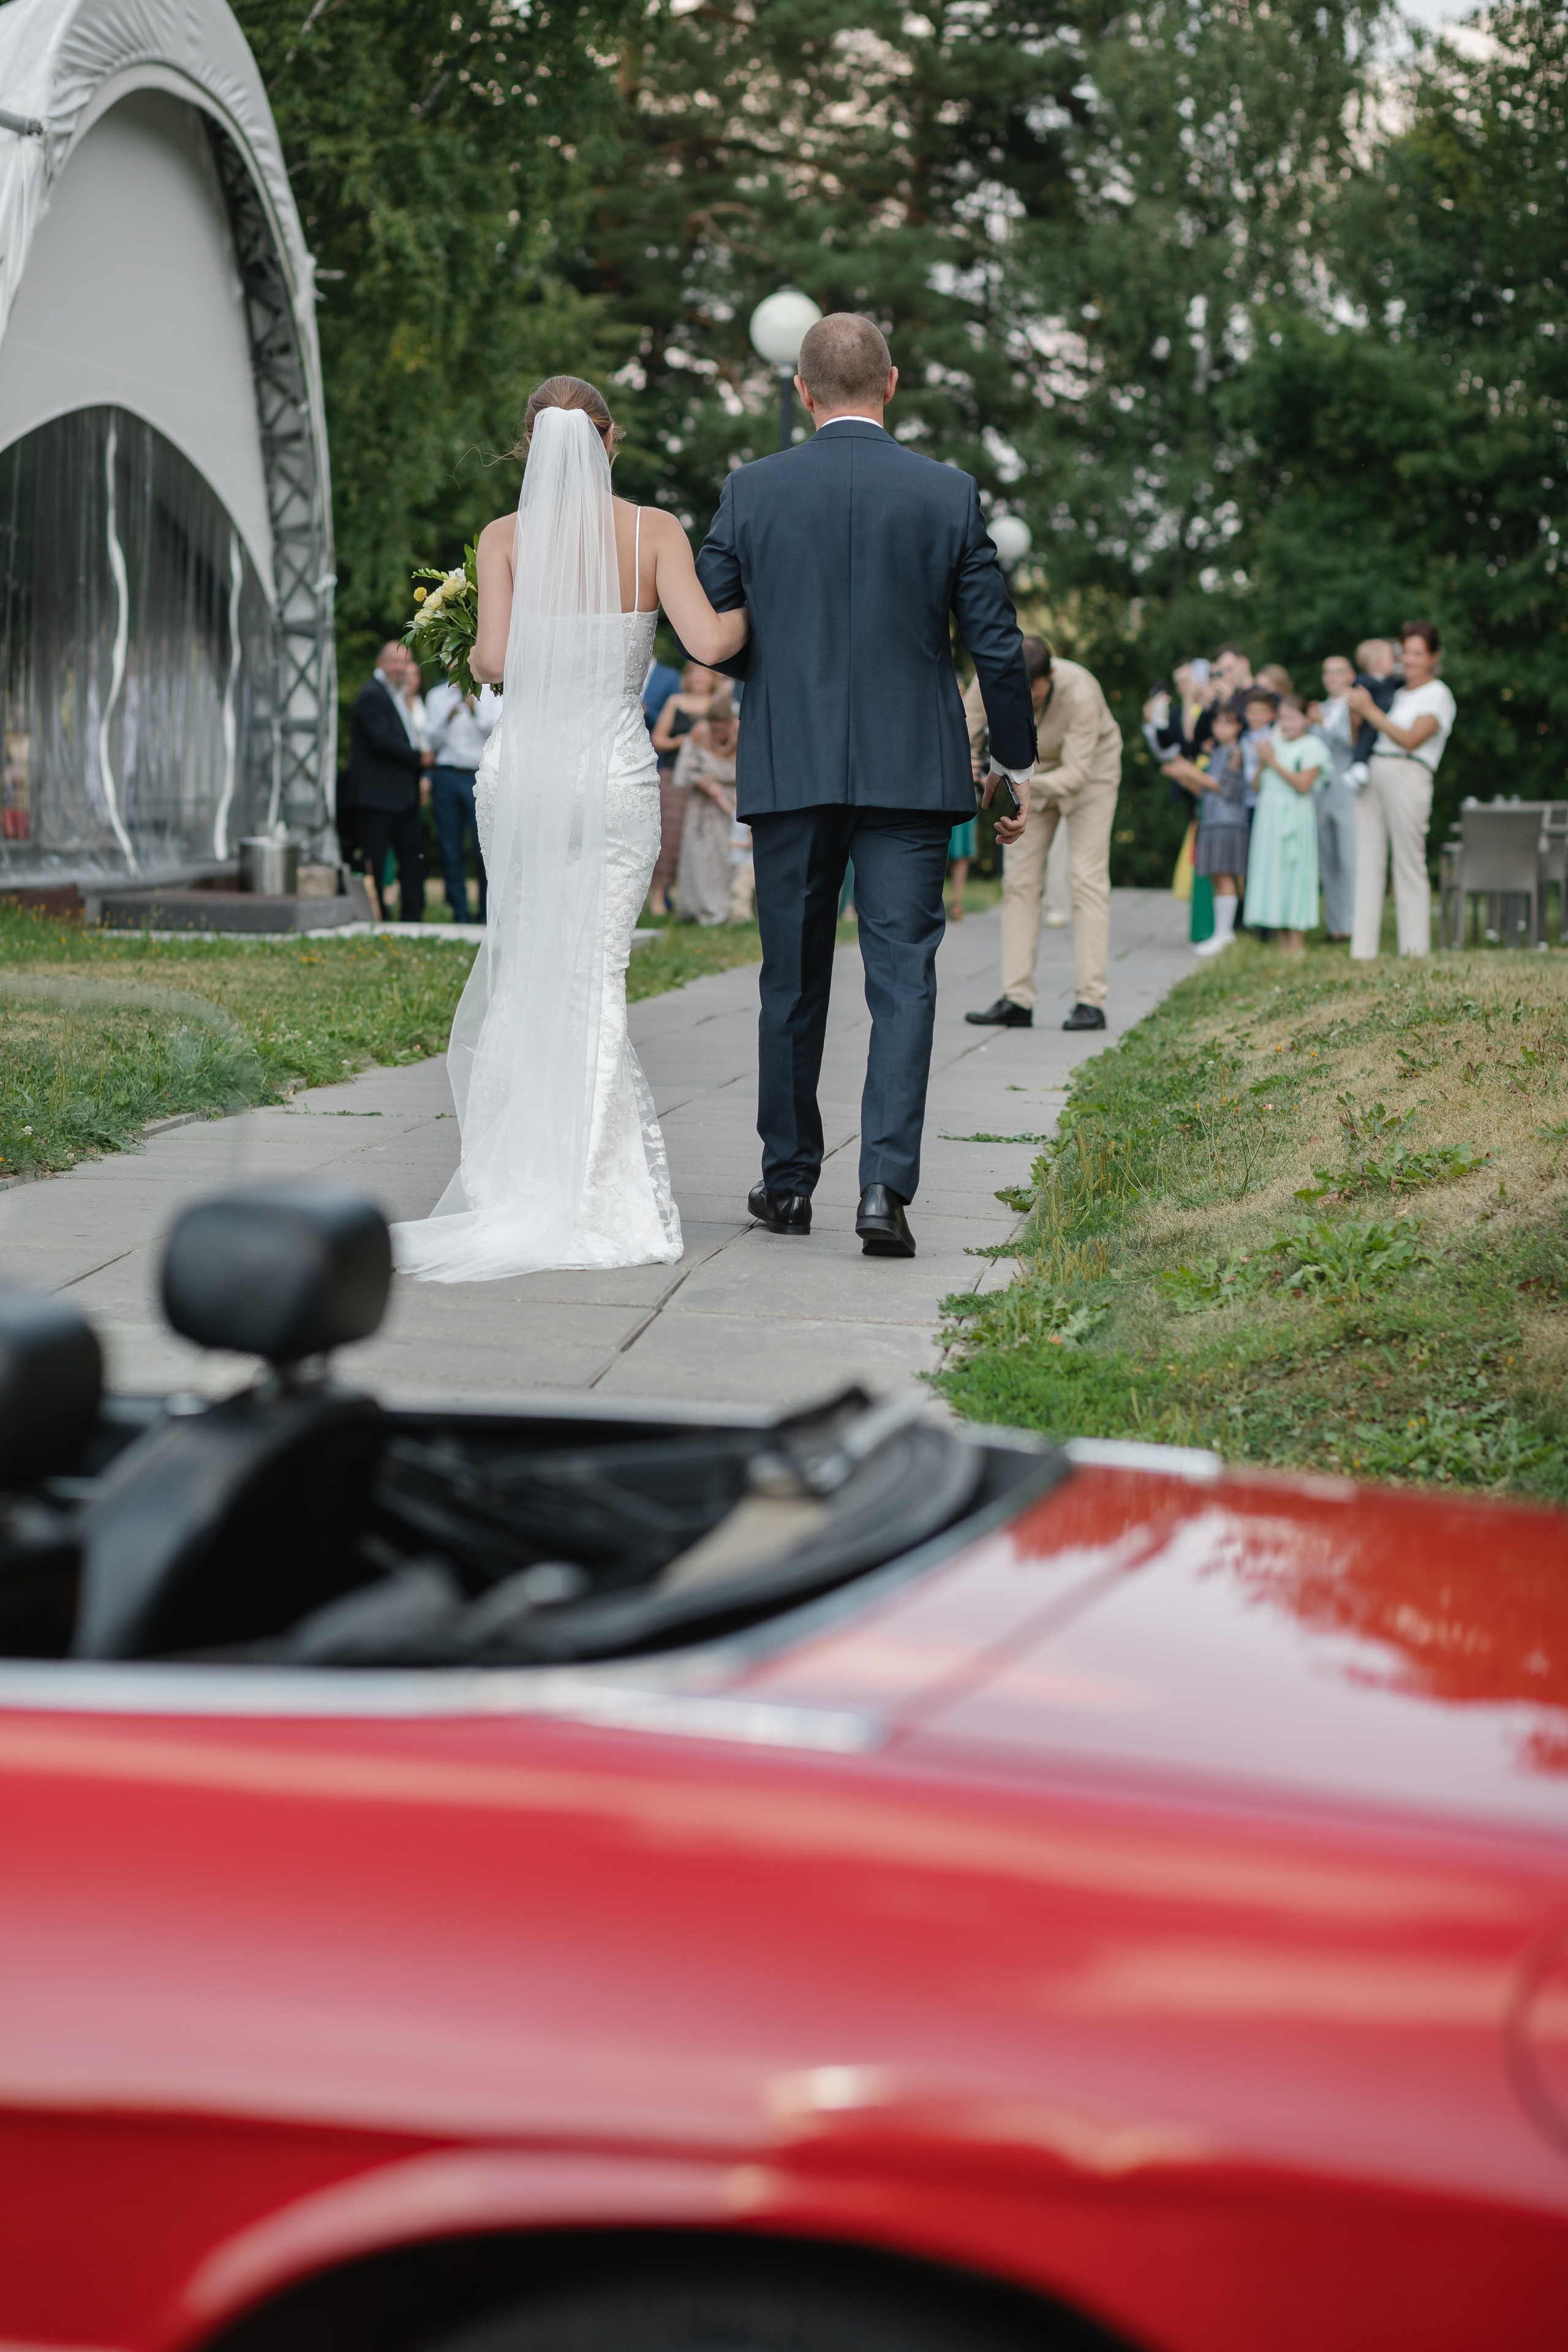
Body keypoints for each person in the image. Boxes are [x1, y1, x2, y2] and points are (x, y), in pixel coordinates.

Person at [392, 375, 747, 1284]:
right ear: (609, 441)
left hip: (525, 776)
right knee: (596, 972)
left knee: (527, 967)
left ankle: (515, 1183)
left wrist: (476, 630)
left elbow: (497, 663)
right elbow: (709, 643)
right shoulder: (653, 531)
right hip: (613, 776)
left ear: (528, 445)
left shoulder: (505, 539)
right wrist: (763, 605)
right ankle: (589, 1191)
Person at [696, 311, 1035, 1259]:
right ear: (892, 384)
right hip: (909, 772)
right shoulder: (948, 493)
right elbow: (997, 647)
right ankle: (883, 1189)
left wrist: (780, 674)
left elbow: (707, 626)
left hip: (790, 763)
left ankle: (788, 1184)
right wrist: (1011, 765)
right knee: (904, 980)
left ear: (802, 391)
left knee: (791, 979)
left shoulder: (752, 492)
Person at [966, 635, 1122, 1031]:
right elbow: (962, 732)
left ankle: (1091, 1001)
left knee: (1085, 880)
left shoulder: (1081, 692)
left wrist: (1023, 782)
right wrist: (967, 766)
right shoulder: (988, 681)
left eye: (1033, 691)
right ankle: (1016, 998)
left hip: (1088, 774)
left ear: (1049, 677)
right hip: (1027, 772)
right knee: (1019, 882)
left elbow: (1076, 776)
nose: (1027, 699)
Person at [1347, 621, 1455, 961]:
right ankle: (1362, 951)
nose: (1408, 659)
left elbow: (1411, 739)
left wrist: (1369, 711)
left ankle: (1415, 950)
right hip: (1374, 770)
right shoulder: (1391, 690)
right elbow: (1363, 737)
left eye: (1417, 653)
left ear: (1433, 657)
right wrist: (1357, 716)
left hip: (1409, 772)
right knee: (1368, 863)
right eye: (1405, 652)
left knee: (1408, 863)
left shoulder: (1438, 694)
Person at [347, 641, 431, 922]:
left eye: (404, 663)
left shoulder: (395, 695)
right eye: (394, 662)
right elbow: (381, 740)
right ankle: (378, 915)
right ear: (380, 663)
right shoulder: (373, 695)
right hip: (377, 796)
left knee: (412, 858)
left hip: (400, 796)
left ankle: (412, 915)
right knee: (377, 860)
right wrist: (418, 758)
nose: (399, 668)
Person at [1243, 693, 1326, 951]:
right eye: (1282, 718)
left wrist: (1273, 761)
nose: (1286, 724)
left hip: (1295, 815)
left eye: (1292, 718)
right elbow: (1255, 786)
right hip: (1268, 815)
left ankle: (1296, 943)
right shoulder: (1272, 743)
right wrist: (1262, 762)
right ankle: (1281, 941)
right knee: (1273, 874)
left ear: (1304, 720)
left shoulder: (1313, 747)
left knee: (1296, 873)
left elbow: (1303, 785)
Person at [1166, 704, 1250, 957]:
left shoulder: (1237, 752)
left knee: (1224, 875)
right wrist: (1185, 779)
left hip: (1228, 822)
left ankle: (1226, 934)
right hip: (1211, 820)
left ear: (1238, 727)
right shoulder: (1218, 752)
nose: (1221, 728)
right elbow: (1205, 790)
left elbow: (1221, 787)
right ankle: (1220, 932)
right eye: (1218, 723)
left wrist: (1191, 771)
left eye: (1228, 723)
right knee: (1215, 876)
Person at [648, 660, 719, 914]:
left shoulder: (718, 704)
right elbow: (658, 738)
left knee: (700, 837)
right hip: (674, 777)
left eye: (705, 675)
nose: (700, 679)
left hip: (706, 780)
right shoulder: (675, 702)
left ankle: (692, 898)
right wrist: (679, 741)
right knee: (669, 836)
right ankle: (659, 898)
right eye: (695, 674)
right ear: (688, 678)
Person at [424, 676, 497, 921]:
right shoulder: (437, 696)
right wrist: (448, 719)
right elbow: (430, 740)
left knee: (483, 846)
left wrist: (474, 708)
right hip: (446, 774)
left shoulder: (491, 692)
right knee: (450, 846)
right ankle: (459, 911)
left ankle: (486, 911)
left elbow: (497, 731)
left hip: (480, 774)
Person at [675, 688, 741, 924]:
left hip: (735, 802)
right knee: (704, 857)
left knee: (734, 855)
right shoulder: (699, 733)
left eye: (723, 727)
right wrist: (707, 785)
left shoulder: (741, 731)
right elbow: (685, 771)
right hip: (705, 805)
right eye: (715, 728)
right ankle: (705, 909)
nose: (719, 732)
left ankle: (735, 907)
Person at [1310, 655, 1359, 941]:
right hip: (1322, 794)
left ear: (1350, 675)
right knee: (1327, 861)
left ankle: (1353, 925)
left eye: (1338, 672)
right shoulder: (1321, 708)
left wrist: (1323, 723)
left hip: (1348, 793)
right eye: (1327, 672)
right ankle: (1335, 926)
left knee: (1349, 861)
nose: (1332, 678)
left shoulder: (1355, 705)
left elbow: (1351, 742)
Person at [1346, 638, 1400, 790]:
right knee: (1366, 738)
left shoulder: (1391, 681)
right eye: (1391, 658)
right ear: (1378, 663)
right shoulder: (1364, 681)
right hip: (1369, 722)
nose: (1395, 663)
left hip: (1381, 721)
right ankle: (1358, 764)